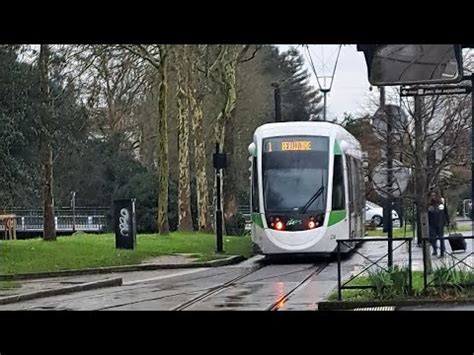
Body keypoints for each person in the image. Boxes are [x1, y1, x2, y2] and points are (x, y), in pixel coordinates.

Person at [427, 190, 450, 257]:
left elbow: (445, 212)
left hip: (440, 223)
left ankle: (442, 251)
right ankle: (435, 249)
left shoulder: (441, 203)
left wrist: (448, 221)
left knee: (441, 238)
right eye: (432, 195)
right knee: (433, 238)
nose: (433, 197)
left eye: (434, 195)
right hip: (432, 223)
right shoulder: (429, 204)